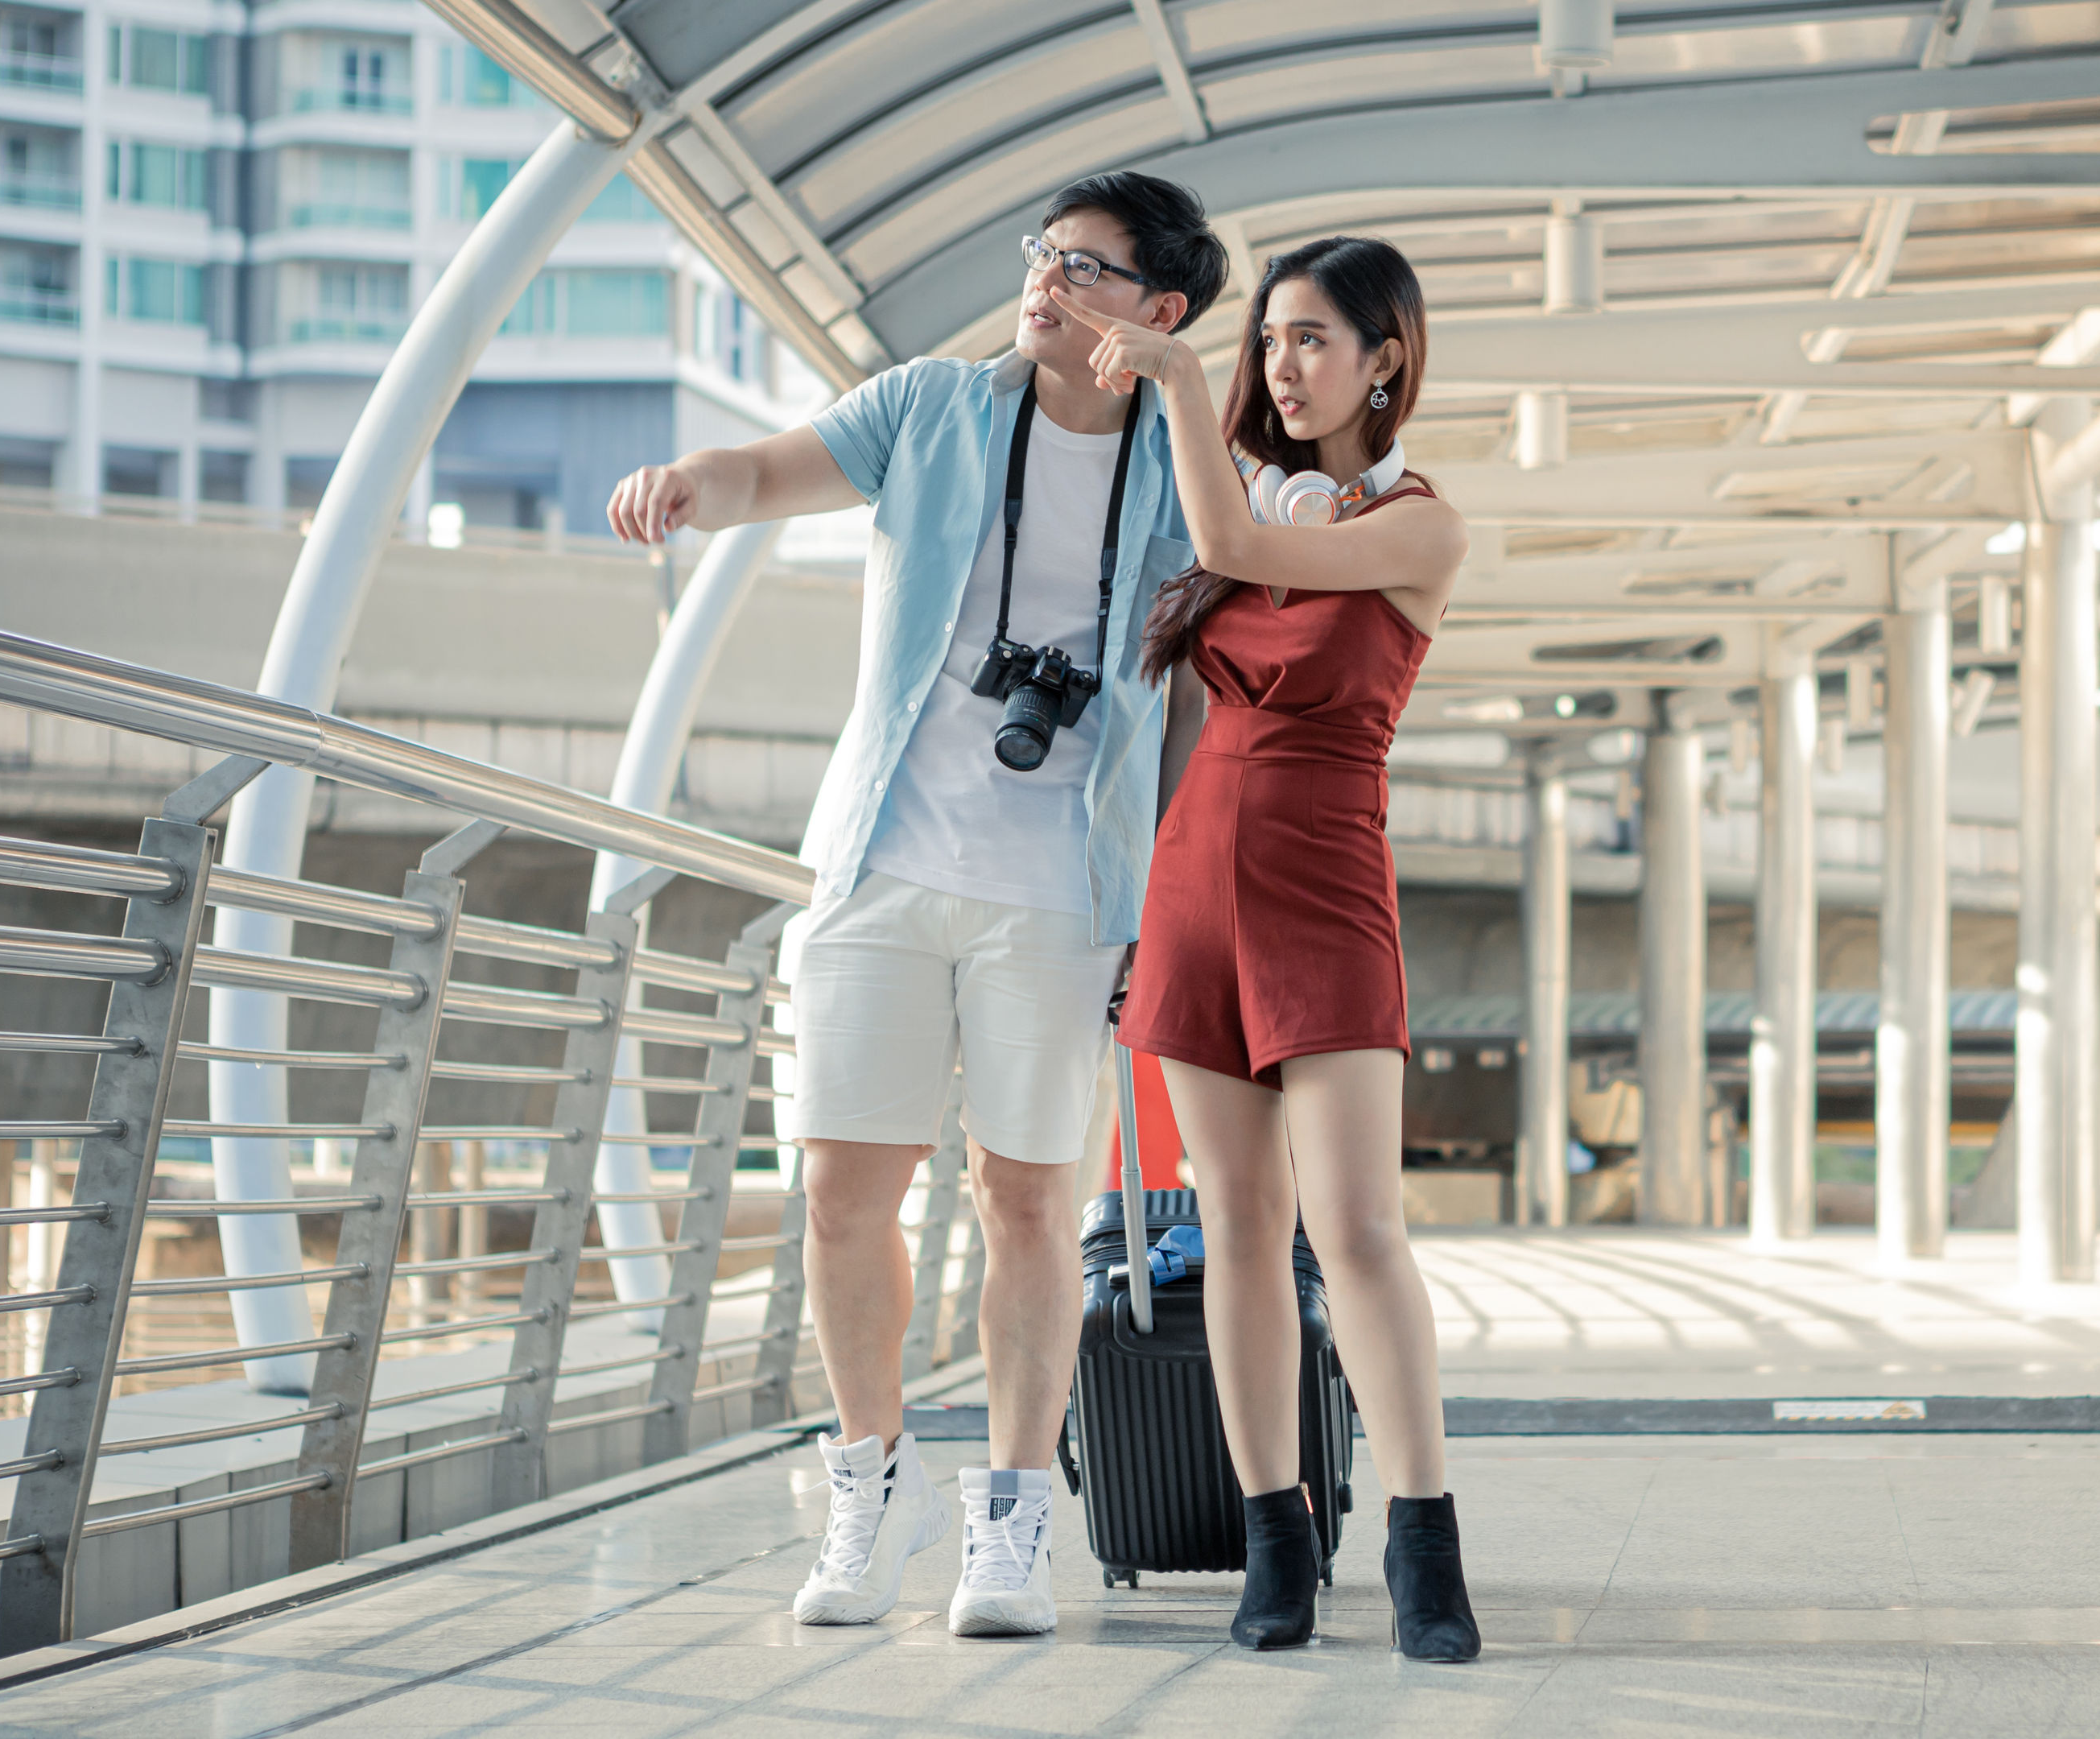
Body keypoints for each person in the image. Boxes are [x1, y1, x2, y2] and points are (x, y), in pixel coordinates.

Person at [604, 174, 1228, 1636]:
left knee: (1028, 1200)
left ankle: (1011, 1520)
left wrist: (1166, 903)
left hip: (1061, 894)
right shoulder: (934, 407)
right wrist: (693, 482)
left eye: (1088, 268)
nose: (1048, 283)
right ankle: (868, 1491)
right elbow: (769, 473)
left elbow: (1200, 694)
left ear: (1162, 312)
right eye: (1044, 257)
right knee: (839, 1198)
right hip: (883, 864)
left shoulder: (1190, 471)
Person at [1049, 235, 1481, 1662]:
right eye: (1269, 344)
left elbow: (1241, 547)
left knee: (1354, 1227)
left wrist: (1173, 372)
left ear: (1385, 360)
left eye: (1309, 341)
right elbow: (1173, 725)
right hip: (1192, 896)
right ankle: (1272, 1537)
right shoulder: (1237, 499)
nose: (1280, 368)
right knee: (1231, 1228)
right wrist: (1131, 913)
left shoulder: (1418, 527)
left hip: (1325, 885)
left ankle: (1425, 1539)